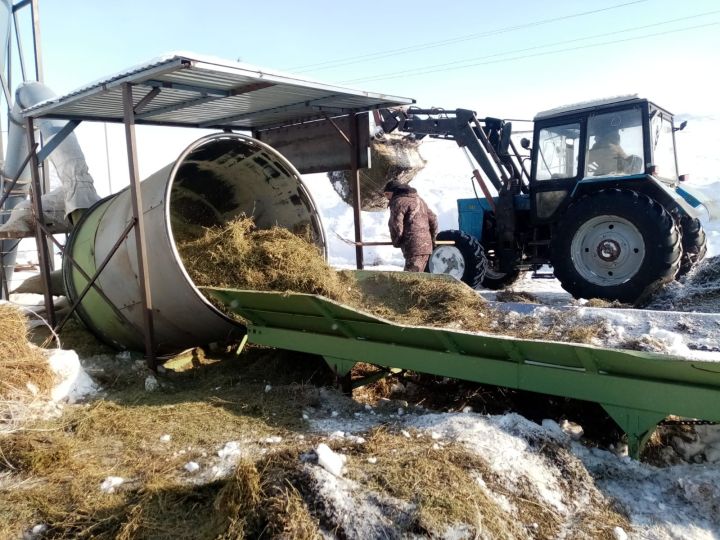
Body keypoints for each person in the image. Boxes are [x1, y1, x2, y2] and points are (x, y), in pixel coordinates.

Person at [384, 179, 438, 272]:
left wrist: (396, 241)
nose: (387, 198)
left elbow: (396, 224)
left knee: (410, 280)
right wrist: (433, 239)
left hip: (413, 246)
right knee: (417, 278)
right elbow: (433, 219)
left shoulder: (398, 202)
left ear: (394, 191)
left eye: (387, 194)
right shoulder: (419, 200)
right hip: (426, 247)